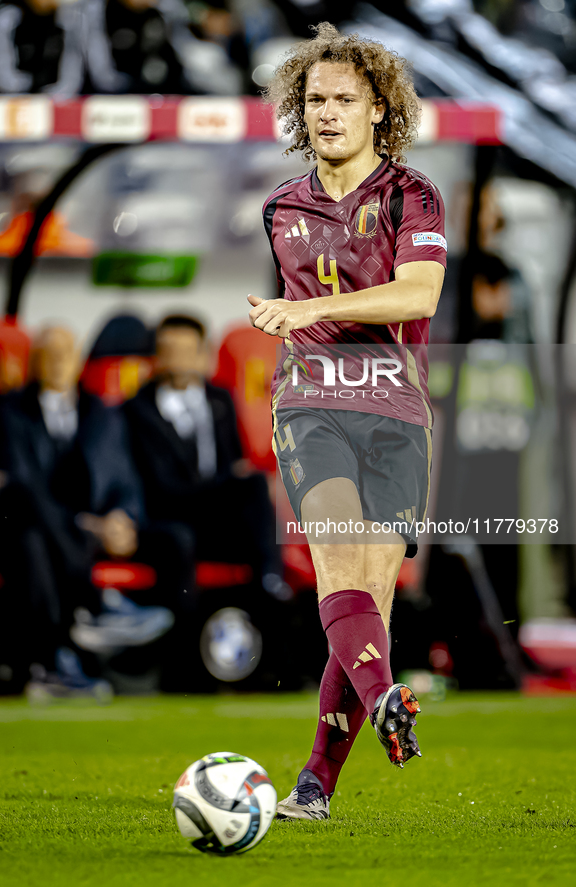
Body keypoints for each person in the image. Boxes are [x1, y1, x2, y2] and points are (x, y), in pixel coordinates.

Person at [248, 23, 447, 819]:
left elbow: (417, 295)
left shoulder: (411, 194)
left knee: (368, 596)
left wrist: (310, 307)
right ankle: (381, 700)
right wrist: (303, 326)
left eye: (343, 100)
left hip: (396, 408)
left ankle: (315, 781)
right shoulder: (280, 206)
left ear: (377, 110)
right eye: (314, 99)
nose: (326, 112)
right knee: (336, 561)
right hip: (311, 403)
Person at [0, 326, 174, 699]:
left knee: (35, 544)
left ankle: (52, 664)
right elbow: (20, 481)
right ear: (34, 362)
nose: (57, 361)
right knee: (24, 509)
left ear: (78, 362)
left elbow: (123, 477)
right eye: (48, 353)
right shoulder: (10, 409)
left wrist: (123, 516)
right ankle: (94, 606)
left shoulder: (100, 412)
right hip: (14, 526)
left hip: (67, 534)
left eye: (65, 352)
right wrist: (81, 523)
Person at [124, 314, 289, 600]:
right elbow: (158, 482)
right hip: (170, 509)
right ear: (156, 356)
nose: (178, 359)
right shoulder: (137, 408)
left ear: (203, 355)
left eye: (187, 351)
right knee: (250, 487)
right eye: (169, 350)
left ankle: (270, 587)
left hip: (215, 513)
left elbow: (234, 458)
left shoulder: (220, 399)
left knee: (257, 492)